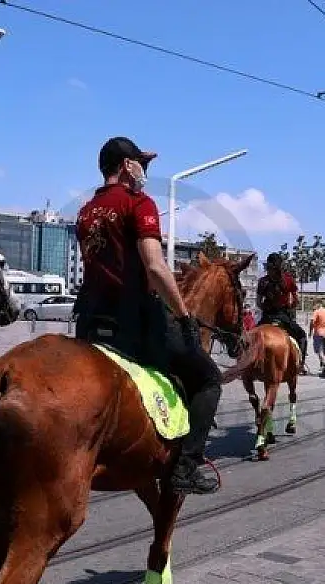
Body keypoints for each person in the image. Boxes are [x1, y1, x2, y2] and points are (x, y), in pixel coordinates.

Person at [72, 136, 221, 495]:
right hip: (134, 321)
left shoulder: (86, 211)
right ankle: (185, 466)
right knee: (207, 378)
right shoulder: (139, 203)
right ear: (127, 166)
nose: (145, 170)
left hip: (90, 321)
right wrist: (184, 316)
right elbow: (155, 267)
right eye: (142, 164)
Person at [256, 253, 310, 375]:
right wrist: (290, 306)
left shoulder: (262, 281)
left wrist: (266, 307)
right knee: (301, 336)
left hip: (266, 318)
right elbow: (295, 301)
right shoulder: (288, 279)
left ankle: (247, 366)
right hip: (284, 316)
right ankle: (300, 365)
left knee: (249, 338)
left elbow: (258, 303)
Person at [309, 302, 325, 374]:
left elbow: (312, 321)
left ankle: (324, 366)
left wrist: (310, 331)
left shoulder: (317, 311)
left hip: (318, 333)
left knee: (318, 351)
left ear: (317, 305)